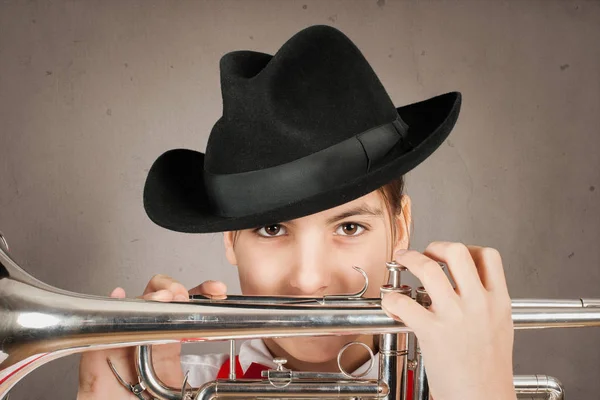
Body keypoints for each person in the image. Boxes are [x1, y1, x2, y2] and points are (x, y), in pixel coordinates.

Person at [77, 25, 516, 400]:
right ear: (230, 240)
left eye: (349, 226)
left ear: (400, 228)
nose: (309, 281)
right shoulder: (163, 379)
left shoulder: (475, 372)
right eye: (271, 228)